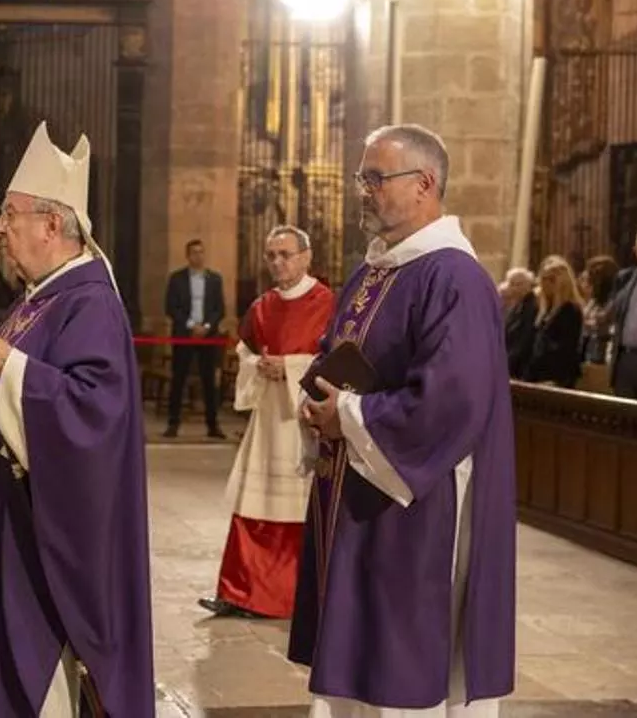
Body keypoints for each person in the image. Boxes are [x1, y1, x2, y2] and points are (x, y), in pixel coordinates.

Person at [0, 122, 155, 717]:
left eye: (11, 214)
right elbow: (18, 386)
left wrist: (8, 366)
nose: (0, 229)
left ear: (52, 224)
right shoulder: (41, 298)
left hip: (36, 545)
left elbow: (93, 416)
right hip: (0, 527)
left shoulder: (89, 302)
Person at [296, 124, 516, 716]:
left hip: (417, 502)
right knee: (358, 655)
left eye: (376, 178)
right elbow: (336, 352)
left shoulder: (455, 277)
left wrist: (347, 416)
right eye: (361, 177)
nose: (362, 190)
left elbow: (452, 399)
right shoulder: (373, 271)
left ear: (424, 183)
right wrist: (317, 400)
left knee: (402, 663)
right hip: (360, 491)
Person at [198, 225, 334, 620]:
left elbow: (336, 359)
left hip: (303, 420)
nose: (277, 262)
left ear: (306, 257)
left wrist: (290, 367)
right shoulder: (262, 306)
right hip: (269, 417)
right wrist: (258, 365)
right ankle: (238, 591)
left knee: (297, 509)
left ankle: (291, 597)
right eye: (271, 255)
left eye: (285, 254)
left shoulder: (327, 303)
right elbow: (244, 353)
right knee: (252, 503)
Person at [163, 239, 227, 439]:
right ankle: (173, 423)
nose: (198, 256)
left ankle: (213, 425)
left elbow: (219, 309)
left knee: (209, 381)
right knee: (178, 379)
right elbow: (171, 307)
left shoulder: (215, 279)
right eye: (194, 253)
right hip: (185, 335)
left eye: (201, 252)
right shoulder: (176, 279)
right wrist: (190, 325)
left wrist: (206, 327)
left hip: (208, 336)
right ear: (188, 256)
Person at [524, 255, 583, 388]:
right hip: (536, 375)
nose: (545, 284)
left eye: (551, 279)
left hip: (556, 378)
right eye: (543, 278)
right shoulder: (544, 310)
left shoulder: (570, 310)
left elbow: (566, 349)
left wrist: (555, 379)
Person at [610, 229, 637, 398]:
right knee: (623, 411)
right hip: (625, 357)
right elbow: (613, 311)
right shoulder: (625, 278)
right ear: (636, 250)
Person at [500, 267, 537, 379]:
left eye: (518, 284)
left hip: (518, 368)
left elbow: (524, 340)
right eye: (512, 284)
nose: (514, 288)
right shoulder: (516, 305)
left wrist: (507, 364)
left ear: (528, 285)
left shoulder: (532, 307)